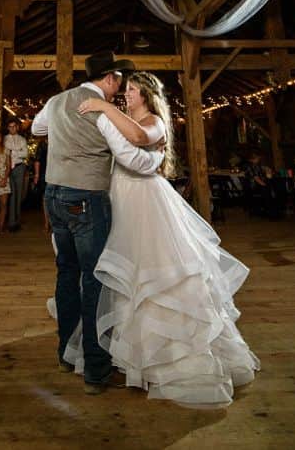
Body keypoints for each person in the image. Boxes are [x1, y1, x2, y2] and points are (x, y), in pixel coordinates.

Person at [73, 71, 260, 408]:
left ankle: (170, 356)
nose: (126, 95)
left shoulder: (154, 121)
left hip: (147, 203)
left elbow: (140, 137)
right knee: (124, 274)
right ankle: (129, 354)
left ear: (146, 95)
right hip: (121, 199)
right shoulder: (122, 118)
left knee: (156, 273)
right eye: (125, 90)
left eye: (132, 90)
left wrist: (104, 106)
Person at [32, 50, 163, 395]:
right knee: (94, 280)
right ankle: (95, 369)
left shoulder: (58, 100)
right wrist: (158, 155)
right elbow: (130, 156)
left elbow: (36, 127)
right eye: (118, 79)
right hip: (85, 200)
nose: (120, 86)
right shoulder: (102, 112)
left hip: (52, 196)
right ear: (108, 78)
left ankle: (65, 354)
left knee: (66, 274)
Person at [5, 119, 28, 231]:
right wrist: (18, 150)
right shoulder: (4, 139)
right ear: (8, 128)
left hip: (20, 167)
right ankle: (11, 223)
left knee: (19, 195)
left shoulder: (22, 139)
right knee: (11, 194)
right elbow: (5, 153)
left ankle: (17, 221)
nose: (12, 128)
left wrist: (13, 151)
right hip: (7, 168)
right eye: (10, 126)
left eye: (14, 126)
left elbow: (25, 154)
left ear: (17, 127)